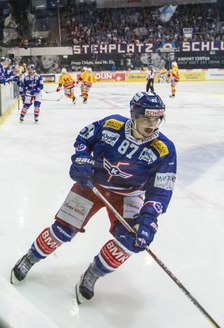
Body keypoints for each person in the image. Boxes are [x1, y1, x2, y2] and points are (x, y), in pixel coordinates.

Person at [11, 92, 177, 305]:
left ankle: (93, 274)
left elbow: (161, 190)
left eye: (156, 119)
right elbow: (84, 138)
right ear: (134, 115)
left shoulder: (164, 149)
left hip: (129, 195)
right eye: (146, 118)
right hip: (91, 185)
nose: (152, 125)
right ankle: (30, 258)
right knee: (63, 229)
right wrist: (81, 158)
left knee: (131, 241)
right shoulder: (111, 124)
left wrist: (148, 218)